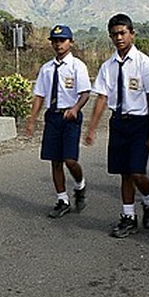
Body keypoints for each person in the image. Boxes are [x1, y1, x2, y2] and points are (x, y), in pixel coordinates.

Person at [85, 14, 149, 237]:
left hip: (140, 122)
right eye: (114, 34)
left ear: (132, 34)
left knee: (137, 172)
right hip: (118, 122)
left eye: (122, 33)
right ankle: (128, 216)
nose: (119, 38)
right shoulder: (108, 66)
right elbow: (100, 97)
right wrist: (91, 128)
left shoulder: (144, 63)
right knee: (124, 173)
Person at [25, 24, 92, 218]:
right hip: (53, 116)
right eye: (55, 41)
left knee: (70, 160)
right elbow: (39, 95)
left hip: (70, 117)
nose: (58, 44)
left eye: (62, 40)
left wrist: (75, 109)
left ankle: (80, 185)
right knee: (55, 161)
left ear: (70, 42)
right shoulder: (46, 69)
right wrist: (31, 120)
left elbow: (85, 93)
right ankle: (62, 199)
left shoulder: (77, 66)